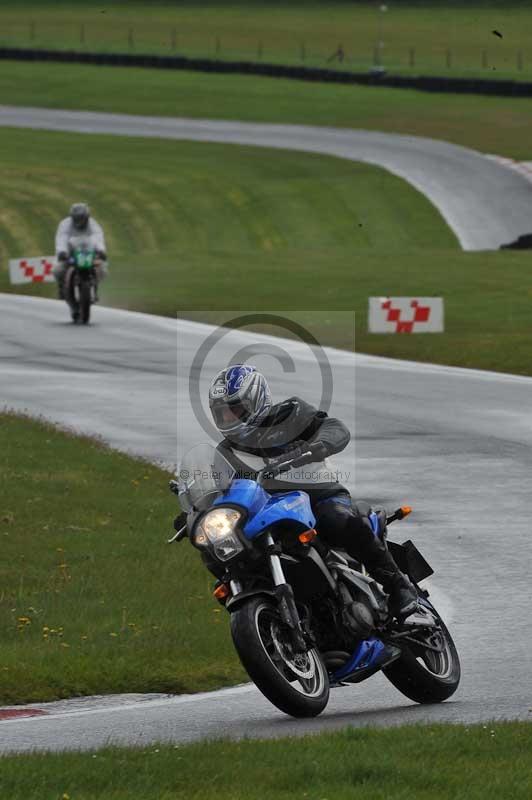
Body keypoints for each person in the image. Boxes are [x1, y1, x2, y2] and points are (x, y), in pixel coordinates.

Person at [208, 363, 418, 619]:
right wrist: (199, 509)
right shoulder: (224, 452)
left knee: (336, 519)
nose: (228, 418)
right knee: (223, 551)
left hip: (318, 494)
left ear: (256, 400)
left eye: (235, 410)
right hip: (269, 511)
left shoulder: (290, 414)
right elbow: (219, 488)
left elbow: (335, 428)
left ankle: (399, 586)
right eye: (223, 414)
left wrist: (318, 445)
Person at [53, 203, 108, 299]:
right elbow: (61, 238)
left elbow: (98, 237)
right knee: (58, 270)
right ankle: (62, 287)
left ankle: (94, 286)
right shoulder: (65, 224)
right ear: (72, 217)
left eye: (82, 218)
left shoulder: (93, 224)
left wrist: (101, 250)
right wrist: (62, 251)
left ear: (87, 217)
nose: (80, 221)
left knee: (102, 269)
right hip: (70, 253)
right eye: (77, 218)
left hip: (88, 252)